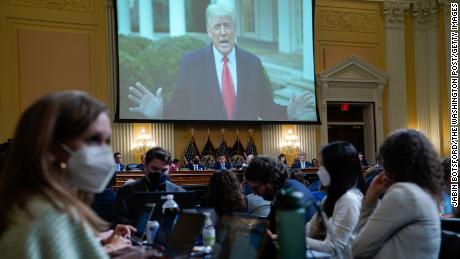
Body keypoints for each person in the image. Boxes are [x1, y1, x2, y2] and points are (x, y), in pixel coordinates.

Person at [0, 91, 134, 258]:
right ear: (49, 145)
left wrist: (92, 241)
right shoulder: (49, 217)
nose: (105, 153)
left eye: (106, 141)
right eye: (93, 139)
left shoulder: (26, 204)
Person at [127, 3, 316, 121]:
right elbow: (180, 107)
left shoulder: (253, 63)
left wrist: (287, 113)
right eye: (217, 26)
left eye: (227, 26)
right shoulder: (191, 62)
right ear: (209, 32)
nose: (223, 32)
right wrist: (160, 113)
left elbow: (265, 108)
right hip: (204, 145)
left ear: (235, 30)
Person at [352, 129, 443, 259]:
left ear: (391, 163)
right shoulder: (424, 192)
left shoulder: (404, 194)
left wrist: (369, 203)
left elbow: (357, 250)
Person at [306, 141, 365, 259]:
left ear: (336, 170)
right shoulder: (329, 198)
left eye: (322, 165)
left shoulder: (349, 200)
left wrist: (297, 239)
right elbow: (309, 228)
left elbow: (332, 247)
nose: (319, 171)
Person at [114, 147, 185, 225]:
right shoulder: (126, 191)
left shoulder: (180, 192)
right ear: (145, 166)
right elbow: (118, 221)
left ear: (169, 169)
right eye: (155, 169)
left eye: (163, 170)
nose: (159, 173)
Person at [245, 156, 316, 233]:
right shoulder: (285, 190)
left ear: (270, 182)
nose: (254, 192)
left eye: (255, 188)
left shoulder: (291, 199)